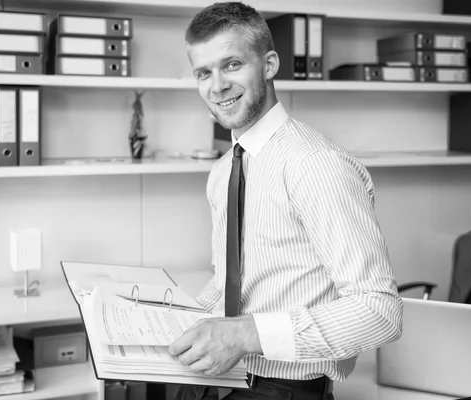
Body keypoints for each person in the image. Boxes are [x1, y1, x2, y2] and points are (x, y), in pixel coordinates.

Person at [168, 2, 403, 399]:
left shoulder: (315, 165)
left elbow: (379, 311)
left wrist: (244, 334)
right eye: (204, 72)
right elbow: (235, 281)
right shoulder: (223, 170)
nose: (217, 85)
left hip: (283, 389)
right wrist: (170, 316)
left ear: (270, 64)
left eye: (232, 65)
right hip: (216, 378)